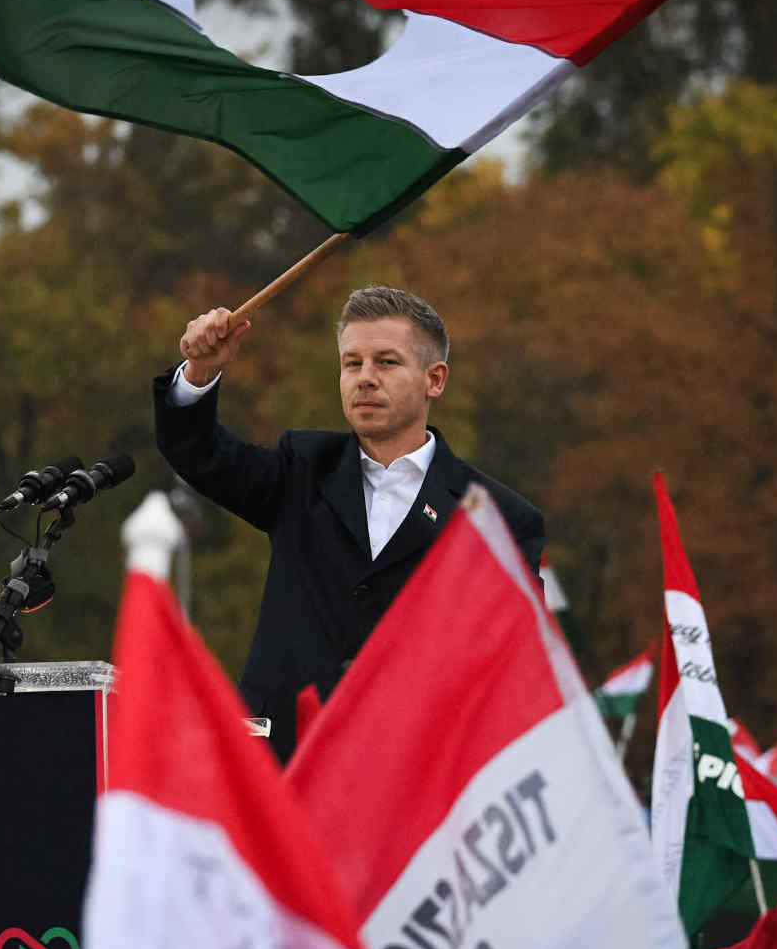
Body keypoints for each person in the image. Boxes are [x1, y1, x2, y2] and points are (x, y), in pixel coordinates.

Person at [155, 285, 545, 760]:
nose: (364, 378)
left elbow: (515, 666)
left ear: (435, 379)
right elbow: (199, 454)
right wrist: (199, 372)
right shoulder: (300, 467)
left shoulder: (498, 518)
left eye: (386, 362)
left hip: (414, 778)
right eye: (352, 363)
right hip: (281, 767)